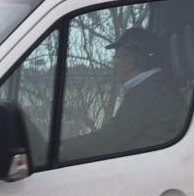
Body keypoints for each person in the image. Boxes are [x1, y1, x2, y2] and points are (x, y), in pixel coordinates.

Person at [65, 27, 185, 159]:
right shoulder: (156, 87)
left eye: (116, 58)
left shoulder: (149, 94)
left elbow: (104, 142)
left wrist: (57, 149)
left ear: (130, 62)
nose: (115, 64)